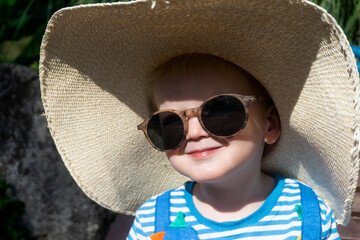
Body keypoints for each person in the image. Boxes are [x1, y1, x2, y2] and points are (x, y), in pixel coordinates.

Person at [39, 0, 359, 239]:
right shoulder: (154, 221)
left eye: (219, 111)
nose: (192, 133)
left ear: (270, 125)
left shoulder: (307, 213)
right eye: (170, 124)